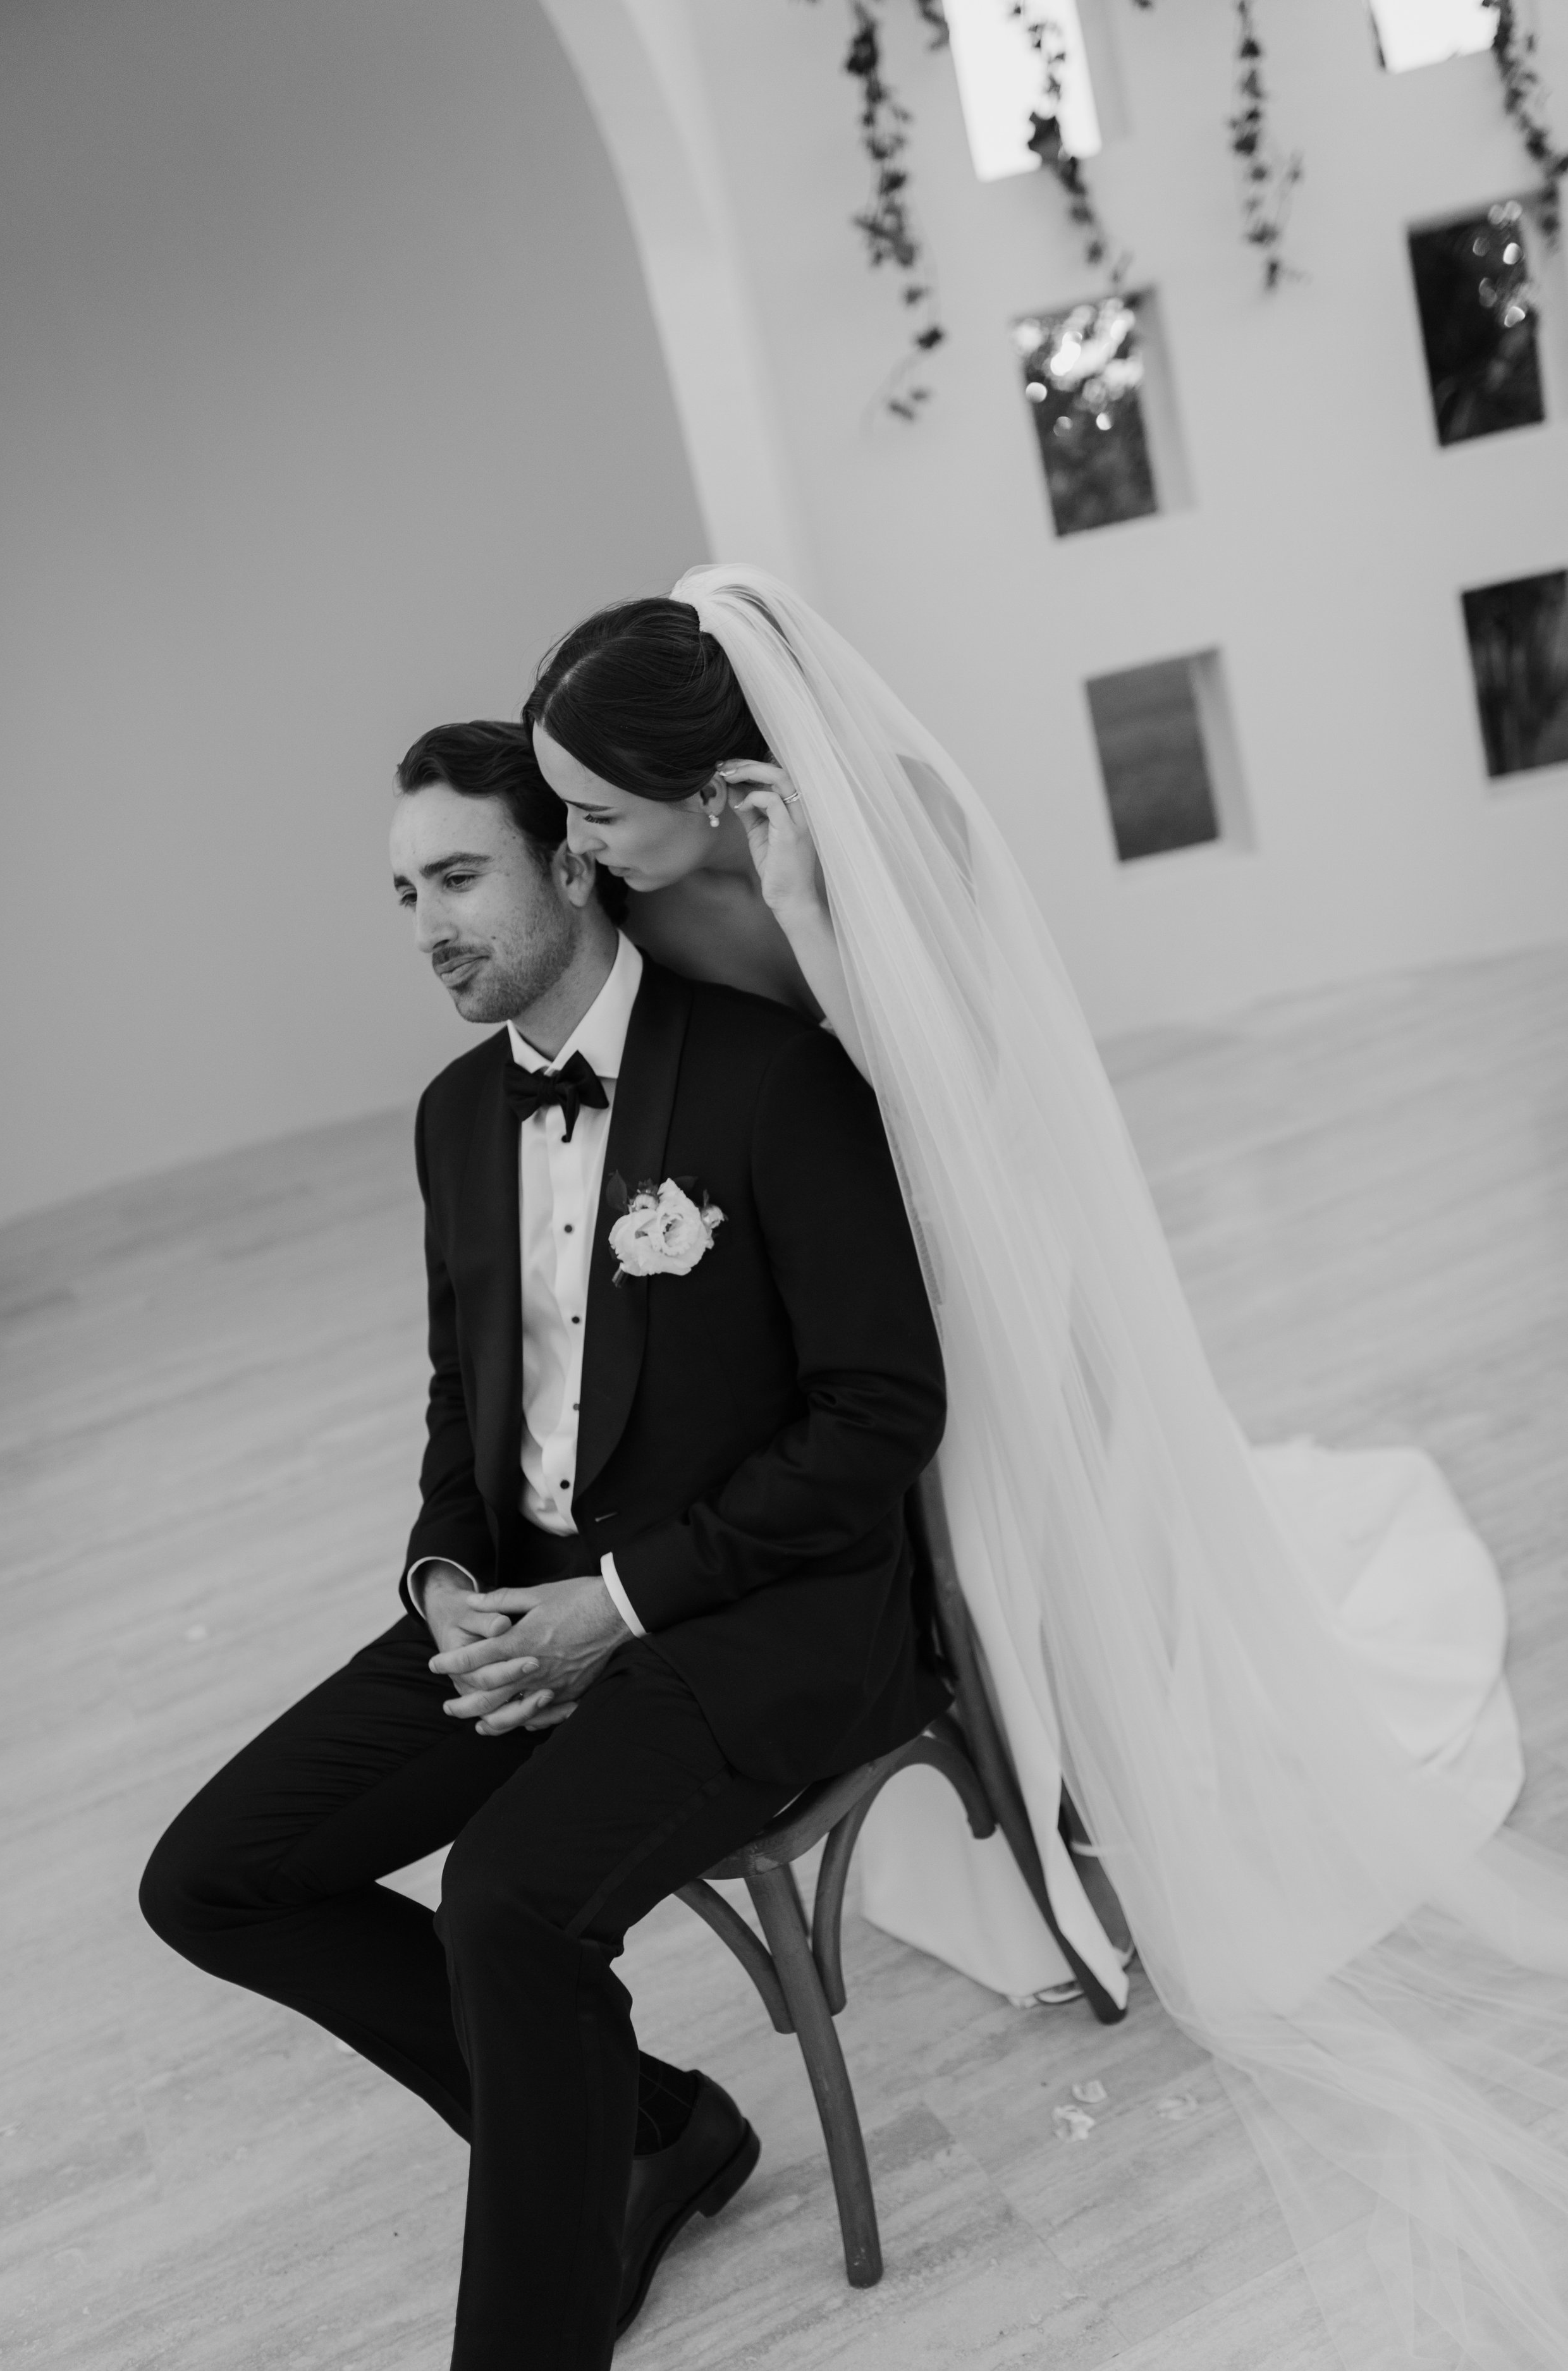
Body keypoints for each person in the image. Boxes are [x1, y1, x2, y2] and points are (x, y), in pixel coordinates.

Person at [524, 565, 1568, 2368]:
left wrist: (815, 926)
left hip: (988, 1251)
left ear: (719, 790)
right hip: (843, 1286)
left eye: (603, 809)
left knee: (1052, 1533)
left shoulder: (874, 837)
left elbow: (968, 1106)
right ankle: (1012, 1784)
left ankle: (1112, 1789)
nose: (578, 845)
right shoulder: (639, 904)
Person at [138, 718, 950, 2368]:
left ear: (570, 859)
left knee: (508, 1903)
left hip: (766, 1610)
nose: (428, 923)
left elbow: (880, 1416)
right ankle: (646, 2132)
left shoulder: (767, 1078)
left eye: (458, 876)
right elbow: (467, 1410)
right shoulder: (454, 1118)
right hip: (527, 1597)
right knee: (212, 1881)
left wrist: (617, 1607)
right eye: (403, 892)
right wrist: (448, 1590)